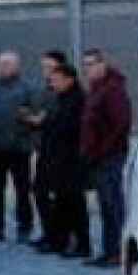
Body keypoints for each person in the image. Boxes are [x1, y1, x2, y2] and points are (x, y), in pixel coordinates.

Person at [0, 51, 37, 244]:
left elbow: (36, 115)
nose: (3, 67)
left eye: (8, 64)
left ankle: (24, 227)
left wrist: (26, 132)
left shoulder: (28, 89)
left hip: (19, 148)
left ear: (17, 67)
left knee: (22, 189)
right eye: (0, 64)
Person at [80, 48, 132, 269]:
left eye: (92, 63)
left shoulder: (113, 90)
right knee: (105, 206)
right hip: (99, 157)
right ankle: (109, 250)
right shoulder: (96, 89)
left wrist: (104, 149)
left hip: (110, 157)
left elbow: (121, 123)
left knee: (114, 206)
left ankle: (120, 252)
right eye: (86, 65)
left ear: (103, 64)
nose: (89, 68)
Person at [37, 62, 90, 260]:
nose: (53, 83)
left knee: (75, 204)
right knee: (62, 202)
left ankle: (82, 244)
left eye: (57, 80)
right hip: (60, 160)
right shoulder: (62, 99)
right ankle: (61, 241)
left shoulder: (77, 100)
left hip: (72, 160)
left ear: (70, 79)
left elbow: (70, 129)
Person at [24, 50, 67, 250]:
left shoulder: (63, 94)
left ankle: (58, 236)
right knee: (40, 192)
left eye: (50, 68)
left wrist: (41, 119)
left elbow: (54, 119)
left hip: (59, 152)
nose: (46, 72)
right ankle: (49, 233)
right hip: (43, 149)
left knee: (57, 195)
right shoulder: (43, 91)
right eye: (44, 68)